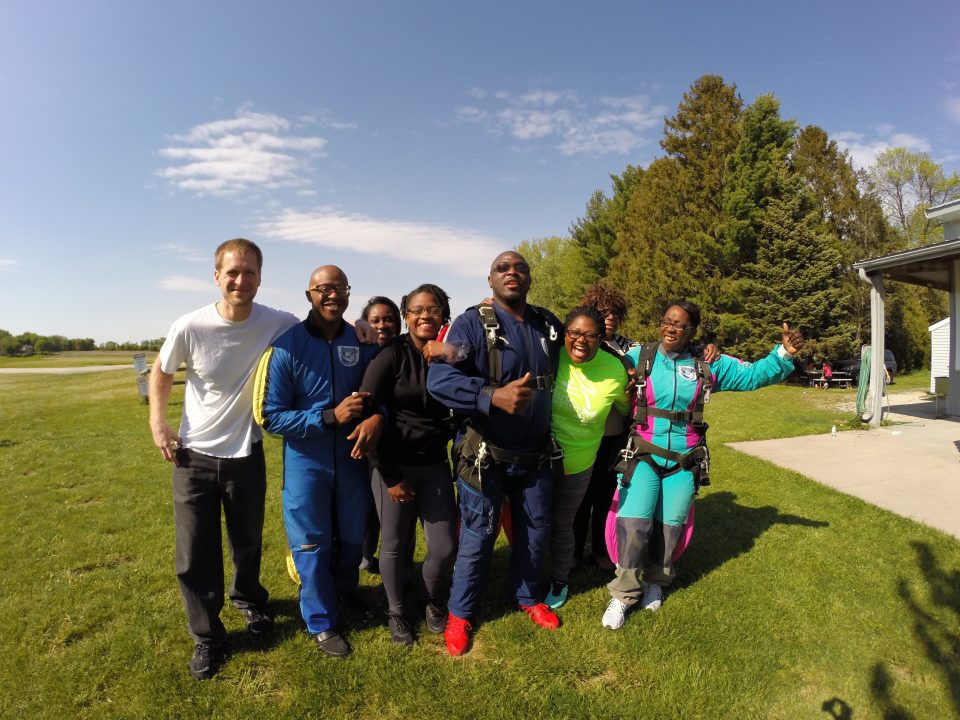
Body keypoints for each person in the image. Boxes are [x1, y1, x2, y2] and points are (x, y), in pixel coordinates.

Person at [602, 300, 804, 630]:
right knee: (633, 525)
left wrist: (783, 354)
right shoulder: (640, 357)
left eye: (679, 324)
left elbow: (751, 376)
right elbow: (599, 363)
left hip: (684, 460)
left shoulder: (707, 364)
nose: (671, 328)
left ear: (692, 330)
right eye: (667, 321)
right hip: (642, 455)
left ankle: (656, 580)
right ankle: (623, 593)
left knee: (671, 527)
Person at [148, 238, 299, 680]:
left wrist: (361, 326)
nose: (240, 280)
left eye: (249, 272)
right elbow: (162, 368)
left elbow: (320, 324)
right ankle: (208, 637)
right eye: (232, 272)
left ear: (260, 277)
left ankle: (250, 602)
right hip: (192, 457)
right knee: (195, 553)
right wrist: (158, 421)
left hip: (246, 455)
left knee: (247, 540)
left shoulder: (276, 322)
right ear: (216, 276)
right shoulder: (190, 325)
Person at [427, 250, 565, 657]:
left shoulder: (546, 323)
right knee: (478, 534)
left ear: (529, 278)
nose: (512, 273)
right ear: (490, 280)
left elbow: (585, 343)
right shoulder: (473, 323)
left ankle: (529, 598)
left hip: (535, 454)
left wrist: (626, 364)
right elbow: (439, 379)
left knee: (535, 531)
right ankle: (460, 613)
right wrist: (489, 396)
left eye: (520, 268)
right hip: (484, 454)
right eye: (502, 268)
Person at [253, 265, 382, 658]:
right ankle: (322, 622)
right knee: (311, 544)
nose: (331, 295)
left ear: (347, 293)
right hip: (306, 461)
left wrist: (378, 417)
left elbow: (382, 393)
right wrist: (328, 416)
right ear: (309, 294)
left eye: (339, 288)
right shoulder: (286, 347)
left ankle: (344, 594)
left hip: (352, 458)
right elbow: (270, 415)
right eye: (322, 289)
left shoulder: (362, 341)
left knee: (351, 536)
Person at [359, 284, 458, 646]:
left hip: (433, 464)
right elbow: (367, 416)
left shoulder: (448, 354)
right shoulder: (390, 355)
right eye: (416, 310)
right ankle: (397, 610)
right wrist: (389, 475)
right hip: (393, 465)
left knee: (445, 546)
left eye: (432, 310)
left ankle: (432, 600)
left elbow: (473, 365)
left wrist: (453, 352)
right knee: (395, 545)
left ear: (442, 315)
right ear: (406, 317)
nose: (424, 316)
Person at [544, 306, 630, 610]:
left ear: (601, 337)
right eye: (575, 333)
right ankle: (527, 579)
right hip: (538, 461)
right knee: (534, 522)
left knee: (563, 523)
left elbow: (629, 406)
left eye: (590, 335)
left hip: (579, 464)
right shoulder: (550, 354)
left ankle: (559, 580)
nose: (581, 341)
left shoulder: (616, 370)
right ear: (564, 333)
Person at [571, 284, 638, 572]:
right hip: (582, 435)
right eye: (603, 312)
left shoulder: (631, 348)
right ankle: (573, 552)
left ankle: (600, 548)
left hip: (614, 437)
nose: (610, 318)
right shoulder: (579, 343)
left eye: (615, 313)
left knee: (605, 497)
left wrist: (704, 346)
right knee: (580, 499)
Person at [357, 296, 403, 574]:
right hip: (364, 442)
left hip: (397, 440)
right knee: (365, 507)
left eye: (388, 319)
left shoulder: (404, 350)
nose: (382, 325)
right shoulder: (358, 350)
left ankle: (371, 558)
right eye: (375, 320)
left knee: (383, 507)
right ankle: (363, 557)